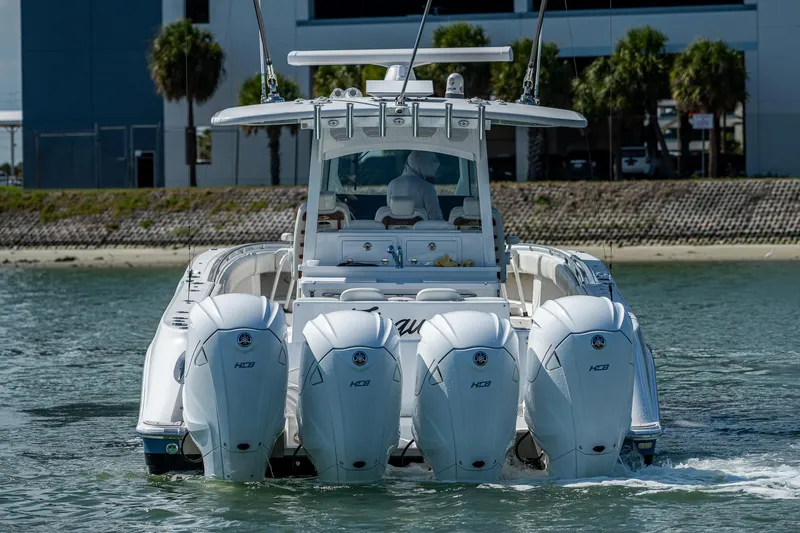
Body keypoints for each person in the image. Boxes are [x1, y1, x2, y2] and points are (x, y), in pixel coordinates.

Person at [387, 151, 443, 220]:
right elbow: (436, 219)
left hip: (395, 230)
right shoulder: (427, 187)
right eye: (431, 161)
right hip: (421, 230)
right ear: (424, 163)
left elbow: (390, 214)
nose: (435, 164)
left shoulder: (392, 184)